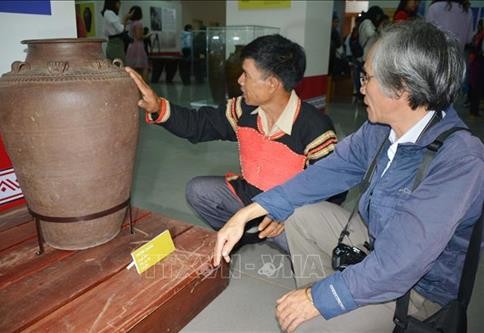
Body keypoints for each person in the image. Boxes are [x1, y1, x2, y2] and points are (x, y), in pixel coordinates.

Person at [213, 20, 484, 332]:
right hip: (376, 242)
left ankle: (326, 310)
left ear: (401, 87)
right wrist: (249, 212)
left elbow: (400, 265)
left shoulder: (459, 160)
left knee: (310, 319)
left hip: (416, 289)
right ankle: (327, 304)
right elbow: (324, 174)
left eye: (367, 77)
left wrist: (319, 298)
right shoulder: (381, 129)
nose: (360, 86)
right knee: (301, 214)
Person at [125, 34, 344, 252]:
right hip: (249, 196)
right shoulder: (243, 110)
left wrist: (290, 214)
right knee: (199, 191)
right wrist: (158, 107)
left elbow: (333, 190)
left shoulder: (315, 128)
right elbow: (198, 124)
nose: (239, 80)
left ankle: (284, 243)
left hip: (288, 210)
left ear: (272, 84)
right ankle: (241, 236)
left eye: (246, 74)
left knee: (306, 245)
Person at [125, 6, 149, 82]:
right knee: (144, 67)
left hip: (131, 45)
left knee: (133, 68)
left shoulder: (130, 23)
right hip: (138, 46)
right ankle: (145, 86)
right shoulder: (138, 23)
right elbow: (139, 37)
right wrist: (148, 35)